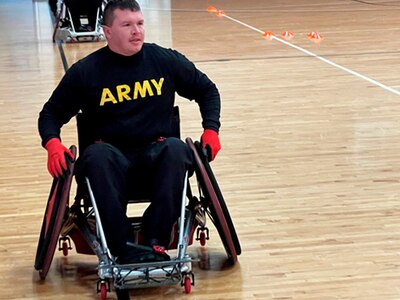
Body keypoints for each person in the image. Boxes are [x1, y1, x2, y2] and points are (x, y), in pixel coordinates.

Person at [38, 0, 221, 264]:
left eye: (140, 24)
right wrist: (52, 143)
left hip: (155, 158)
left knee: (177, 148)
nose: (136, 31)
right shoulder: (86, 72)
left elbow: (207, 90)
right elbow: (51, 113)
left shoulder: (164, 60)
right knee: (96, 155)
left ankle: (155, 240)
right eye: (127, 25)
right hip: (110, 162)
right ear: (108, 32)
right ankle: (121, 244)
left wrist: (211, 129)